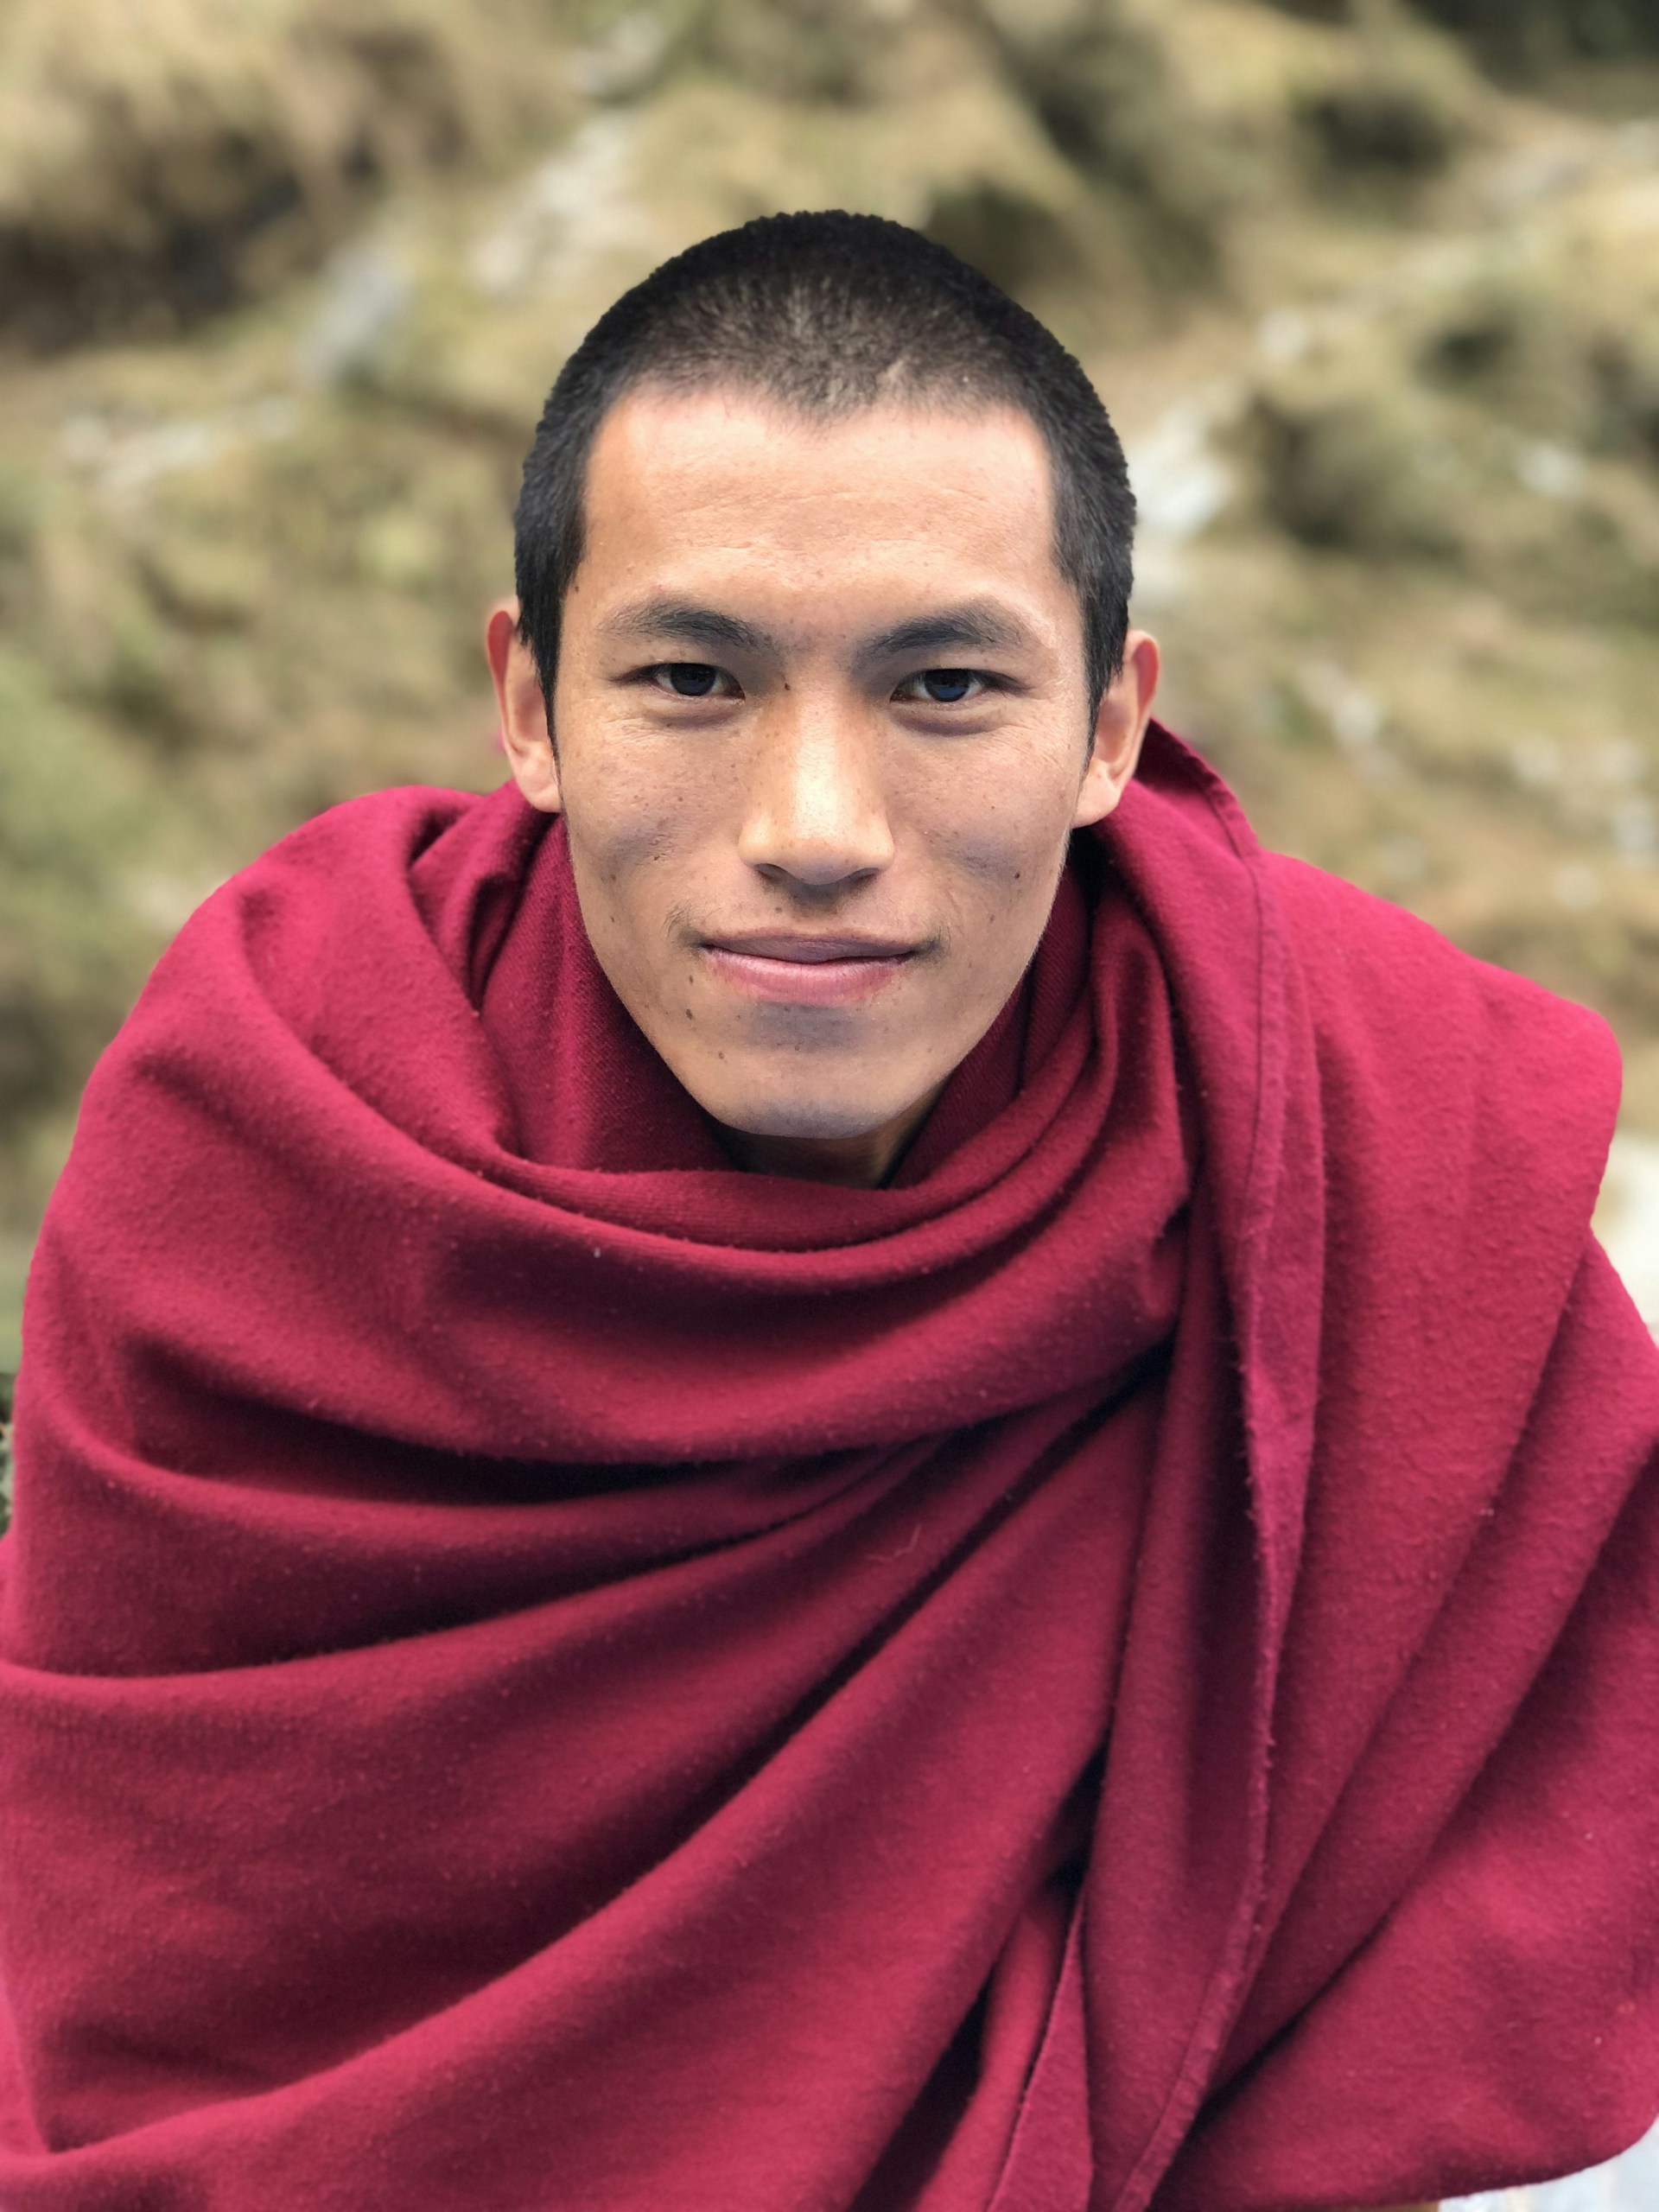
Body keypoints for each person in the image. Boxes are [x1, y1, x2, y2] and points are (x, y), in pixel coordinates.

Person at [0, 211, 1652, 2212]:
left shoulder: (1362, 1157)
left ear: (1113, 727)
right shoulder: (283, 1137)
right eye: (691, 677)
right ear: (527, 704)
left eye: (945, 686)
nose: (813, 832)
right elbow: (133, 1939)